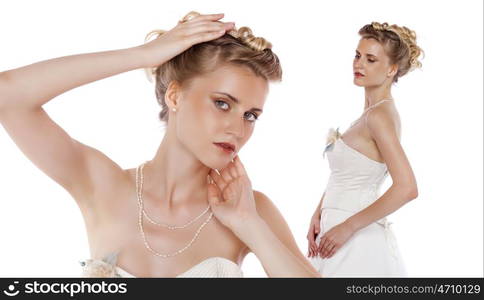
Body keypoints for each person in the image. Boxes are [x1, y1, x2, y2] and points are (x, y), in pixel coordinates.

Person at [0, 11, 319, 278]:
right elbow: (8, 95)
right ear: (175, 95)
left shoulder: (252, 209)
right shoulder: (103, 185)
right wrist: (143, 55)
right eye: (222, 103)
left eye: (250, 115)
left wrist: (249, 226)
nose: (237, 128)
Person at [306, 22, 423, 277]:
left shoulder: (379, 117)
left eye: (370, 60)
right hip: (333, 228)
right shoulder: (368, 114)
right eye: (357, 55)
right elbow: (345, 175)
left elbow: (407, 187)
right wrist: (319, 212)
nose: (358, 64)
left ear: (392, 69)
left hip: (355, 239)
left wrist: (348, 227)